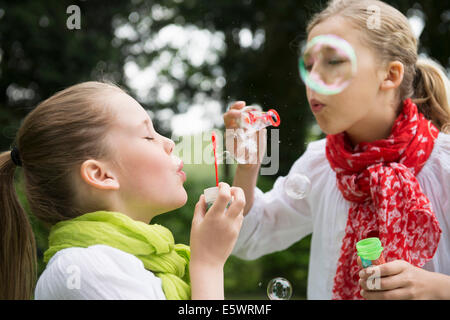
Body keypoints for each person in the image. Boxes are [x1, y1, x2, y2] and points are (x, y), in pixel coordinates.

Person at [224, 0, 450, 300]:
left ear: (390, 75)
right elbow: (250, 238)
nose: (312, 78)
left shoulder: (444, 166)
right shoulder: (321, 163)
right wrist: (248, 165)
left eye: (332, 61)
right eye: (309, 64)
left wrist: (435, 288)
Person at [0, 81, 245, 300]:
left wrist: (248, 166)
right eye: (148, 136)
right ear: (101, 175)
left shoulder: (151, 266)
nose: (169, 143)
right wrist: (208, 264)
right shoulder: (82, 269)